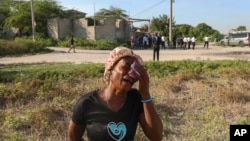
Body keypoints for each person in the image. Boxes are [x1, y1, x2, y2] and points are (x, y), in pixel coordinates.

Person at [68, 47, 163, 141]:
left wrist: (145, 94)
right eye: (126, 66)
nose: (131, 73)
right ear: (111, 68)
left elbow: (156, 137)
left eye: (135, 70)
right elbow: (73, 137)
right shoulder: (87, 103)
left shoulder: (135, 99)